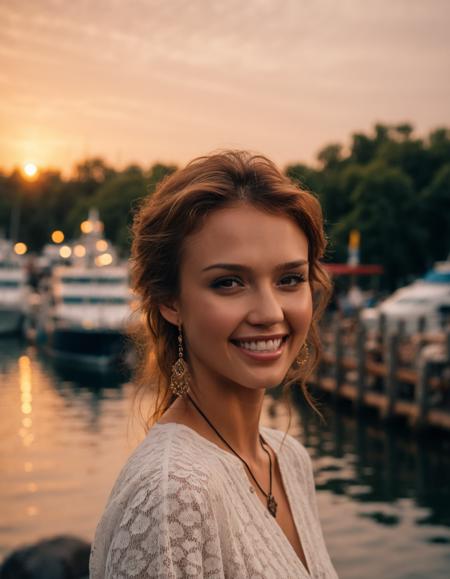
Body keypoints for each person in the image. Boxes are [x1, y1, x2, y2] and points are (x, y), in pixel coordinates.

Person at [90, 150, 339, 578]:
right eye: (228, 282)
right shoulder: (174, 496)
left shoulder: (289, 459)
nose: (270, 312)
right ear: (170, 301)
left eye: (290, 279)